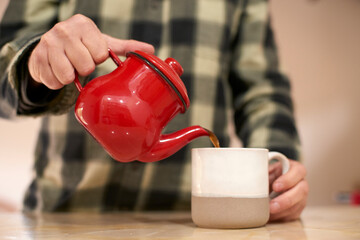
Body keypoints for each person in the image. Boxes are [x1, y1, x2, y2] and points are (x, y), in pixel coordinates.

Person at [0, 0, 308, 221]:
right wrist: (36, 65)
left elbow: (262, 89)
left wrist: (277, 171)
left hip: (185, 225)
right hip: (65, 220)